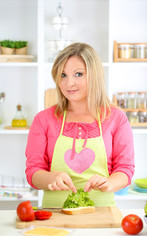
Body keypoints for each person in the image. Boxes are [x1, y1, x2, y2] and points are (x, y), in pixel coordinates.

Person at [25, 42, 135, 208]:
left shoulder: (116, 118)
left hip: (102, 214)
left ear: (94, 75)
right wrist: (51, 178)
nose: (69, 83)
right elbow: (33, 171)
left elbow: (125, 169)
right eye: (63, 75)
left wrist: (108, 183)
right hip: (54, 216)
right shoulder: (43, 119)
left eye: (78, 74)